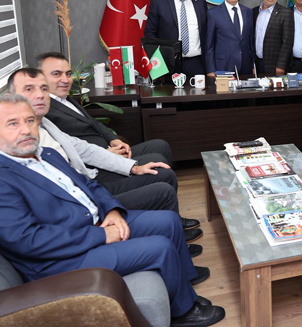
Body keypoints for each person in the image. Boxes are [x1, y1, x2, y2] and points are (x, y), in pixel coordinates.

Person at [0, 94, 225, 326]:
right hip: (61, 259)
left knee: (168, 221)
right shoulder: (3, 178)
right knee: (160, 248)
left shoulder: (48, 154)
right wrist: (101, 235)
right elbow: (29, 240)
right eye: (13, 123)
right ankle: (184, 313)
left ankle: (184, 286)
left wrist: (111, 211)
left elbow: (90, 186)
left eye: (29, 121)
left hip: (94, 223)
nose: (25, 130)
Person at [7, 68, 204, 256]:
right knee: (163, 184)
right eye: (29, 89)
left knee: (160, 161)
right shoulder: (22, 145)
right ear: (11, 97)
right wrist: (103, 219)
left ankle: (177, 238)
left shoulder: (45, 124)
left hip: (90, 189)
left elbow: (85, 146)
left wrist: (133, 167)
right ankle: (177, 241)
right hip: (87, 200)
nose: (40, 95)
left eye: (43, 88)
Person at [38, 52, 174, 166]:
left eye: (68, 74)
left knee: (161, 146)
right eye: (57, 74)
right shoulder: (43, 110)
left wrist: (113, 139)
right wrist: (104, 154)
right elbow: (65, 148)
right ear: (40, 78)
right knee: (158, 160)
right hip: (97, 164)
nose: (65, 80)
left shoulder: (65, 98)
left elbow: (93, 122)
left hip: (110, 150)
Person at [144, 0, 208, 77]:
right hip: (168, 64)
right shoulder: (158, 3)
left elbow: (207, 33)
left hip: (197, 63)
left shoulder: (200, 2)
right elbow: (150, 34)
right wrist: (158, 63)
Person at [205, 0, 255, 76]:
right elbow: (209, 45)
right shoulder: (213, 13)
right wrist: (210, 69)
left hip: (246, 66)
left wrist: (253, 64)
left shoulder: (248, 12)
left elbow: (251, 42)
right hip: (223, 66)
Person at [253, 0, 294, 75]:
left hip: (275, 66)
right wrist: (252, 64)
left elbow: (287, 43)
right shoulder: (254, 12)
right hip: (257, 64)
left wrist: (281, 66)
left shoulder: (286, 13)